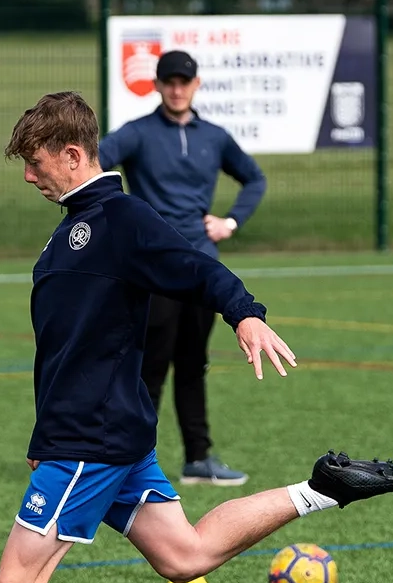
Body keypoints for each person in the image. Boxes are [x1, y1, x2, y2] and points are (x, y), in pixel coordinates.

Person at [0, 91, 393, 583]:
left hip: (93, 436)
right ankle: (322, 490)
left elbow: (195, 267)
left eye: (35, 160)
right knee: (185, 558)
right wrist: (43, 439)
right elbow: (67, 344)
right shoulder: (75, 224)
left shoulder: (121, 217)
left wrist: (244, 313)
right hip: (89, 433)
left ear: (72, 155)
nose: (28, 174)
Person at [98, 50, 267, 486]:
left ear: (196, 85)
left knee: (193, 366)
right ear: (156, 85)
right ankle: (132, 461)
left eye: (184, 81)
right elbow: (96, 164)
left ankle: (198, 458)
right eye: (169, 81)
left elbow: (255, 178)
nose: (177, 89)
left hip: (202, 271)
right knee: (149, 368)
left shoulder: (214, 136)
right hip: (154, 275)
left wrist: (230, 221)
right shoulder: (137, 133)